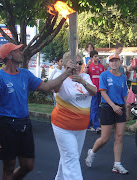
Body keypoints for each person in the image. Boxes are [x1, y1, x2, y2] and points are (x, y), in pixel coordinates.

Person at [0, 43, 74, 180]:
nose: (21, 52)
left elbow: (47, 87)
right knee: (9, 168)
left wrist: (66, 73)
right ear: (10, 56)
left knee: (28, 165)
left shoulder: (25, 74)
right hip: (5, 125)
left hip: (24, 124)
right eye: (18, 51)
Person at [51, 51, 97, 180]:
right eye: (74, 63)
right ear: (66, 64)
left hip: (80, 127)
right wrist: (66, 74)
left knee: (71, 156)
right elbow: (55, 89)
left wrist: (82, 81)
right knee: (71, 159)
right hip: (63, 126)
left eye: (79, 63)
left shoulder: (85, 77)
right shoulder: (60, 77)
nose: (77, 65)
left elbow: (94, 92)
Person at [85, 54, 129, 174]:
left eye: (116, 61)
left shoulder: (123, 77)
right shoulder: (104, 75)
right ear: (109, 63)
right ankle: (92, 152)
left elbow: (124, 95)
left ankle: (117, 164)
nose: (114, 63)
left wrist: (126, 109)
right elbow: (103, 92)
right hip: (107, 107)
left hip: (119, 107)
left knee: (119, 136)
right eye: (112, 61)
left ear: (120, 63)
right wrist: (113, 106)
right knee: (104, 138)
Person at [84, 50, 105, 133]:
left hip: (100, 89)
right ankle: (96, 126)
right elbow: (84, 74)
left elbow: (103, 76)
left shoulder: (101, 66)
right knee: (94, 107)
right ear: (91, 58)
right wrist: (88, 66)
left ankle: (88, 125)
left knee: (95, 107)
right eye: (95, 56)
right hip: (92, 89)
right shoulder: (90, 65)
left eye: (97, 56)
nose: (97, 58)